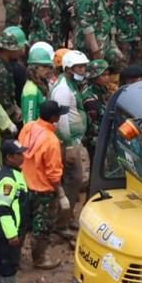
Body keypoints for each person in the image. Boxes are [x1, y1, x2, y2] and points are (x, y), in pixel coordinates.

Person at [18, 101, 66, 269]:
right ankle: (39, 259)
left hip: (24, 185)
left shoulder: (29, 127)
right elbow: (53, 173)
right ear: (54, 117)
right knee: (42, 226)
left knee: (22, 223)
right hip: (43, 190)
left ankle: (13, 257)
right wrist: (61, 194)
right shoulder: (51, 141)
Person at [0, 139, 31, 283]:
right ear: (9, 157)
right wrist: (12, 234)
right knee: (9, 262)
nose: (23, 156)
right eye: (18, 154)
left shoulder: (12, 173)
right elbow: (4, 209)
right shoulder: (8, 179)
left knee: (0, 259)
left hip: (3, 228)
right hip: (8, 228)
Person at [50, 50, 90, 229]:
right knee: (73, 179)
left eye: (84, 67)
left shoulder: (71, 84)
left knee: (75, 180)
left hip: (74, 140)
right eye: (79, 67)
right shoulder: (63, 90)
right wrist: (68, 146)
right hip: (68, 143)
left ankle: (65, 219)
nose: (83, 70)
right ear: (68, 68)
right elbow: (63, 120)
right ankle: (62, 223)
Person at [74, 0, 121, 86]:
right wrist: (95, 51)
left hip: (100, 47)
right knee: (89, 81)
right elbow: (86, 26)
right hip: (89, 50)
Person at [0, 27, 27, 130]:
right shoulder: (1, 71)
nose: (18, 50)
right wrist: (15, 113)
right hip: (3, 118)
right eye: (15, 48)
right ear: (8, 50)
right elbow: (4, 100)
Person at [81, 59, 109, 158]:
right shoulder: (90, 98)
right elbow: (95, 122)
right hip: (94, 137)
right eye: (103, 75)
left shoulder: (100, 88)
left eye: (107, 74)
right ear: (94, 77)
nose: (107, 78)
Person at [21, 47, 53, 124]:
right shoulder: (31, 90)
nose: (47, 70)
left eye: (49, 67)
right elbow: (29, 122)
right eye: (44, 67)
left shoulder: (42, 85)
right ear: (34, 68)